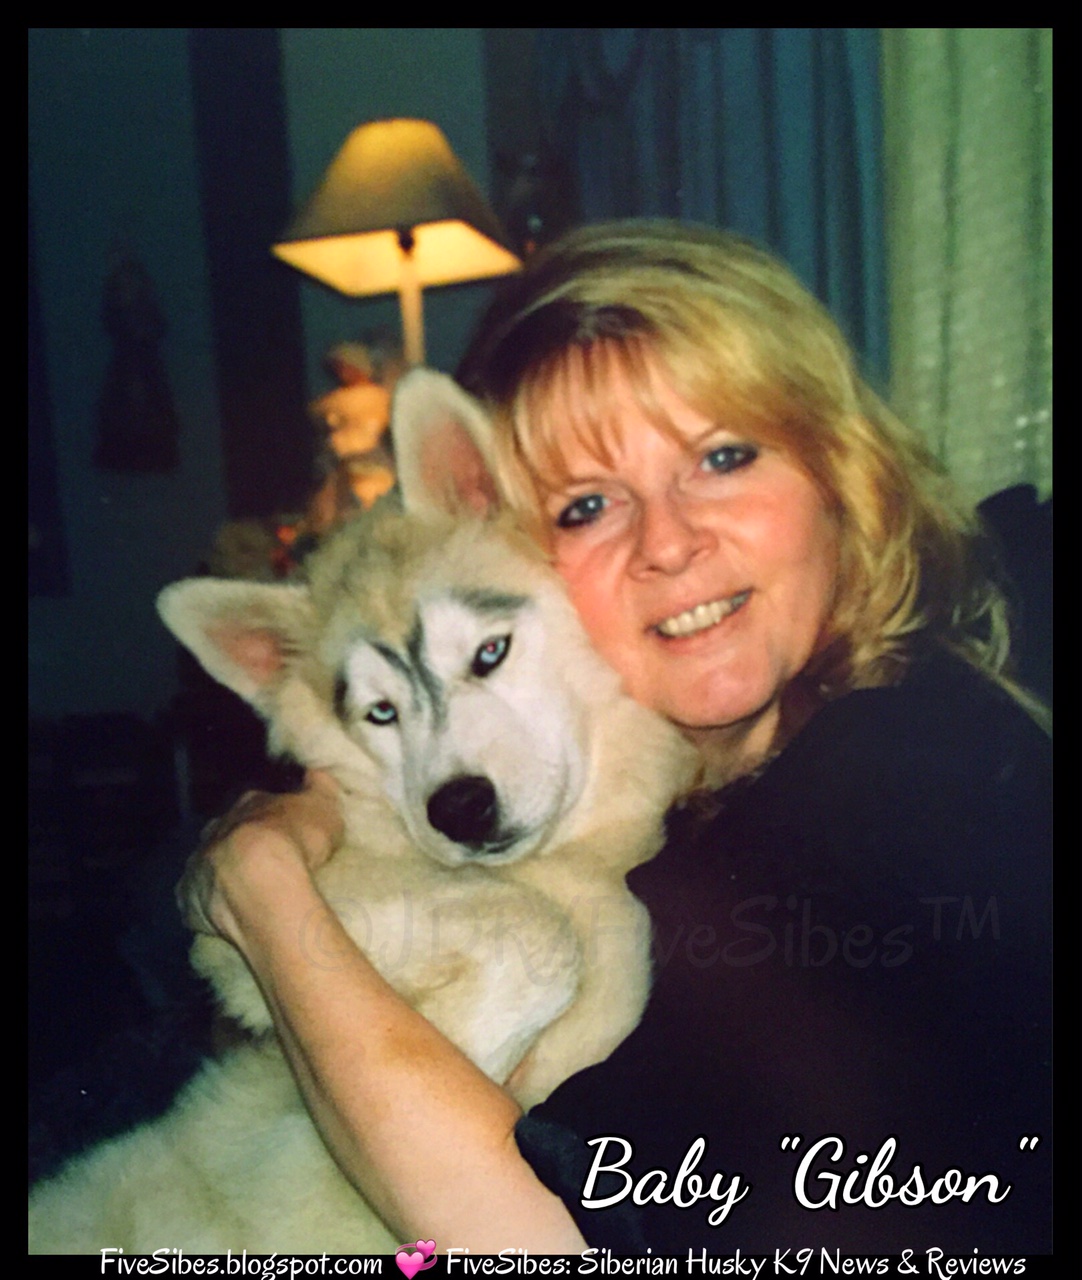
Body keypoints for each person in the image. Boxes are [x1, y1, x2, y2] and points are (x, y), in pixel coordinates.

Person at [180, 222, 1051, 1255]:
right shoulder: (689, 809)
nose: (668, 541)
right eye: (588, 504)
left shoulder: (920, 776)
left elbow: (543, 1239)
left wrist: (262, 894)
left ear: (837, 470)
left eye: (722, 456)